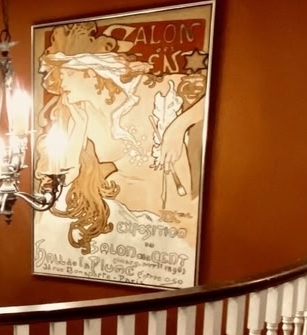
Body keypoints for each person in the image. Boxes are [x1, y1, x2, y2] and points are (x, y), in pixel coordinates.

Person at [35, 22, 207, 255]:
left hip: (172, 218)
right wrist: (79, 126)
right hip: (122, 223)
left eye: (67, 74)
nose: (61, 82)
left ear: (90, 73)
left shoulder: (150, 90)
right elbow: (65, 174)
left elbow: (212, 95)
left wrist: (178, 127)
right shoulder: (77, 112)